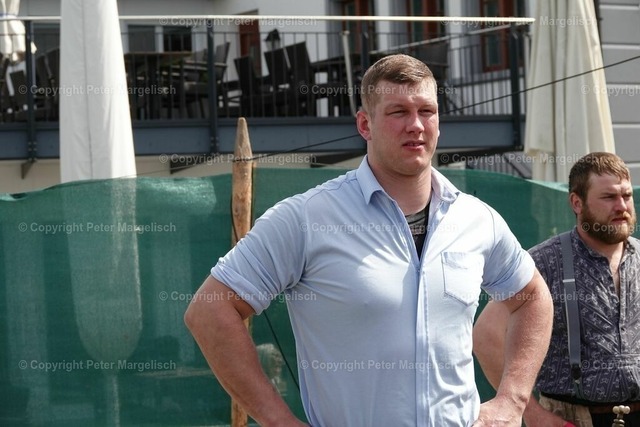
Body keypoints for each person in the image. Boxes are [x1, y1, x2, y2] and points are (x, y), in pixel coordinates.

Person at [184, 53, 553, 427]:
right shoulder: (307, 218)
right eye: (398, 112)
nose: (416, 125)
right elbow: (210, 311)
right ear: (365, 124)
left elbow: (533, 297)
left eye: (426, 111)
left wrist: (512, 401)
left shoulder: (476, 219)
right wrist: (279, 421)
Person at [473, 152, 640, 427]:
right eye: (609, 197)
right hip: (572, 419)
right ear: (577, 202)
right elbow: (485, 336)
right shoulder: (544, 262)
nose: (621, 206)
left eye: (627, 196)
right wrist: (532, 413)